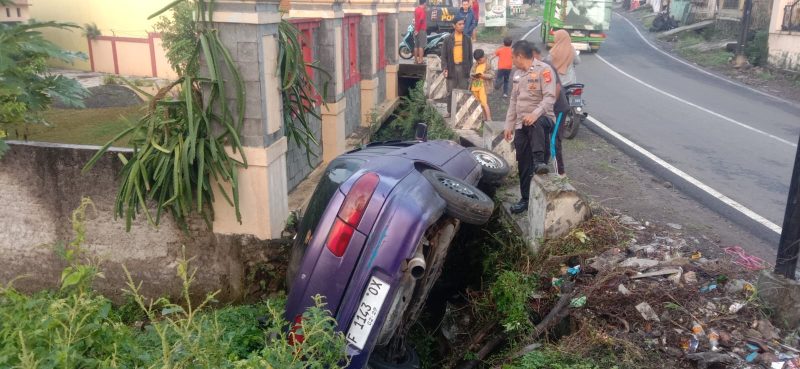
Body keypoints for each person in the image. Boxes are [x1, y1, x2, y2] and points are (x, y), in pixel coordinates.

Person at [504, 41, 557, 214]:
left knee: (535, 123)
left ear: (520, 56)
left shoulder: (544, 70)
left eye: (513, 57)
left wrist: (535, 113)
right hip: (521, 123)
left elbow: (550, 97)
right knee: (523, 163)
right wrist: (509, 125)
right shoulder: (517, 75)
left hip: (543, 119)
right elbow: (513, 101)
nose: (512, 60)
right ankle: (525, 199)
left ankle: (540, 161)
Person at [533, 47, 570, 176]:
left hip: (558, 109)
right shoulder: (536, 68)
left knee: (554, 140)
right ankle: (543, 167)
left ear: (535, 54)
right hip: (548, 110)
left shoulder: (546, 66)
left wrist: (548, 106)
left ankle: (561, 174)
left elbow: (557, 87)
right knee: (544, 139)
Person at [441, 16, 473, 116]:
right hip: (451, 68)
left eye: (463, 24)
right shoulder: (448, 39)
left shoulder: (467, 39)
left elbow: (470, 56)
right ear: (454, 25)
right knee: (451, 90)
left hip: (463, 68)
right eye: (459, 24)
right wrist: (444, 68)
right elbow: (443, 56)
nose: (462, 26)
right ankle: (450, 111)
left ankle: (462, 112)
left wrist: (469, 68)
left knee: (463, 90)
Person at [470, 49, 495, 121]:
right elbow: (471, 72)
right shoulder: (475, 64)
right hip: (475, 86)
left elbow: (492, 75)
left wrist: (483, 76)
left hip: (483, 86)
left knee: (484, 102)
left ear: (484, 56)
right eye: (477, 61)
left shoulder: (488, 64)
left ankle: (489, 119)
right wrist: (473, 75)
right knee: (480, 103)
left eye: (480, 60)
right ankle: (484, 118)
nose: (479, 62)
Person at [414, 0, 428, 64]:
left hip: (416, 29)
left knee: (416, 46)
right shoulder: (422, 11)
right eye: (426, 3)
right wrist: (418, 29)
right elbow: (421, 20)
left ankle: (415, 60)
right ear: (424, 3)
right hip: (421, 29)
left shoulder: (416, 9)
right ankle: (420, 60)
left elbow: (416, 20)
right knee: (421, 46)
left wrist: (416, 29)